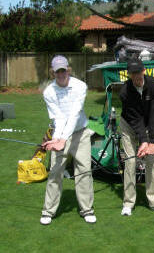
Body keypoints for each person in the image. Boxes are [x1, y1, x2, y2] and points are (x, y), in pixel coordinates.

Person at [40, 55, 96, 225]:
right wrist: (57, 139)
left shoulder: (80, 86)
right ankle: (48, 211)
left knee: (84, 171)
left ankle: (87, 210)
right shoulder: (49, 91)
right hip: (60, 133)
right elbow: (58, 118)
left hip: (80, 133)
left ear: (68, 70)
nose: (61, 74)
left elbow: (74, 114)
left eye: (63, 70)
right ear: (53, 73)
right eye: (58, 72)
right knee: (55, 171)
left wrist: (62, 139)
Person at [119, 58, 154, 216]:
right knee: (130, 161)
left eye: (138, 72)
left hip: (147, 125)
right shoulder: (125, 91)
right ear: (129, 74)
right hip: (128, 125)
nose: (136, 77)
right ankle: (128, 203)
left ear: (144, 70)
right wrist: (143, 141)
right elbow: (135, 118)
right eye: (133, 74)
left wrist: (151, 141)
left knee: (150, 160)